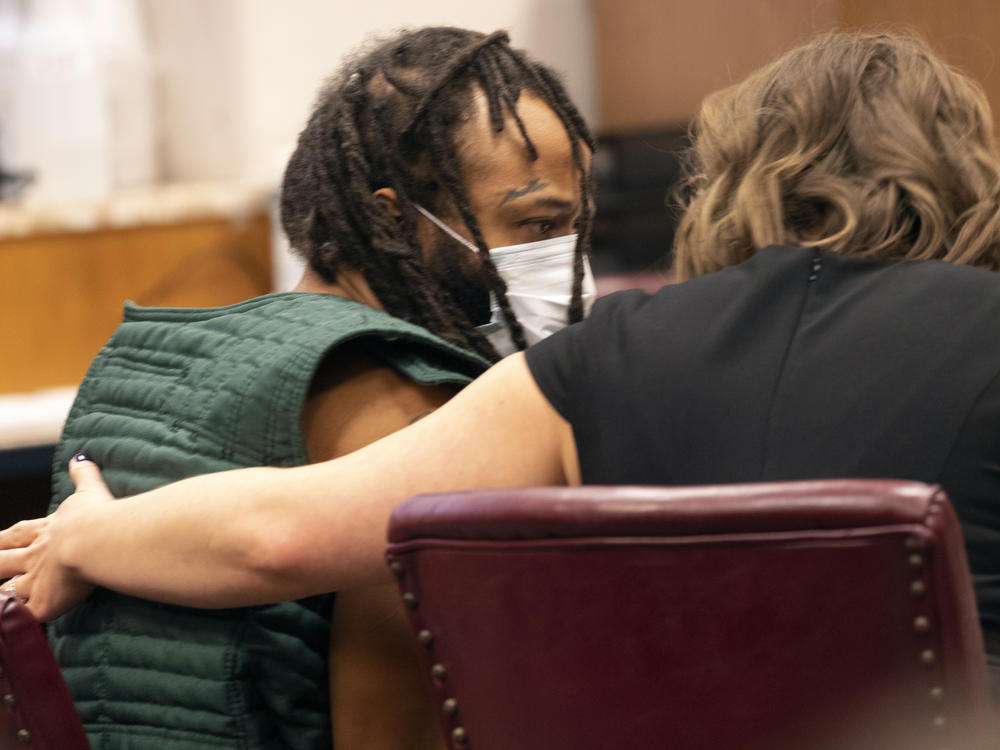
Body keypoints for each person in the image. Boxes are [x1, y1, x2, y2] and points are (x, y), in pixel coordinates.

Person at [4, 26, 1000, 723]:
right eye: (534, 224)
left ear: (732, 181)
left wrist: (101, 529)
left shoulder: (607, 355)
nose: (557, 254)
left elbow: (277, 534)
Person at [16, 26, 596, 750]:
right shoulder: (404, 402)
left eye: (572, 229)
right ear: (392, 216)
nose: (564, 260)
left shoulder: (145, 361)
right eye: (535, 224)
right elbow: (397, 734)